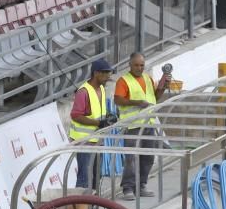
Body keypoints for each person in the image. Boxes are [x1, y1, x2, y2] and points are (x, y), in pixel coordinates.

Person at [114, 52, 172, 201]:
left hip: (149, 123)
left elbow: (155, 97)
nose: (139, 68)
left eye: (142, 65)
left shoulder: (147, 78)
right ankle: (128, 187)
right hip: (132, 125)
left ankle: (141, 185)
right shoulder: (123, 81)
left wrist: (163, 87)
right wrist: (137, 102)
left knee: (147, 157)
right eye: (136, 65)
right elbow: (118, 100)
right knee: (131, 158)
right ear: (130, 64)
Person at [69, 59, 115, 188]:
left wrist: (108, 118)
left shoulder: (101, 88)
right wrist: (98, 123)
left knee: (96, 175)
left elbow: (98, 112)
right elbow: (76, 115)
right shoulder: (83, 92)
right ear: (96, 73)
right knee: (85, 176)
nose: (108, 77)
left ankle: (92, 206)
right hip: (84, 140)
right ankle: (81, 206)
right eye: (105, 73)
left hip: (97, 139)